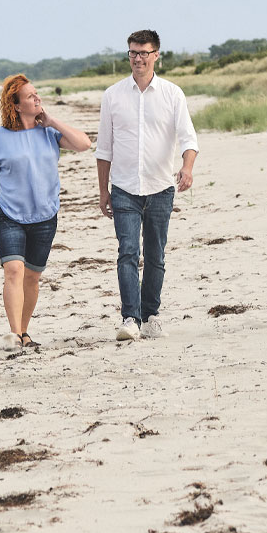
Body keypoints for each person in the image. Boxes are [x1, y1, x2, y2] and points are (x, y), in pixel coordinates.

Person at [0, 74, 92, 349]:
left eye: (36, 94)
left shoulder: (50, 133)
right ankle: (14, 334)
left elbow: (84, 144)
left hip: (44, 215)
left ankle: (25, 330)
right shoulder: (0, 137)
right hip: (8, 215)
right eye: (30, 96)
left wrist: (52, 120)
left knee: (32, 276)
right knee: (14, 271)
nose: (37, 98)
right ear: (17, 106)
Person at [96, 29, 199, 341]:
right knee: (127, 252)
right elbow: (104, 148)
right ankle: (130, 317)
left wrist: (187, 167)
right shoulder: (112, 95)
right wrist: (104, 190)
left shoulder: (172, 94)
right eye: (133, 53)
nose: (138, 58)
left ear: (157, 56)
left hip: (160, 186)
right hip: (124, 188)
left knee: (155, 255)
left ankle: (151, 315)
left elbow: (188, 138)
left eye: (144, 53)